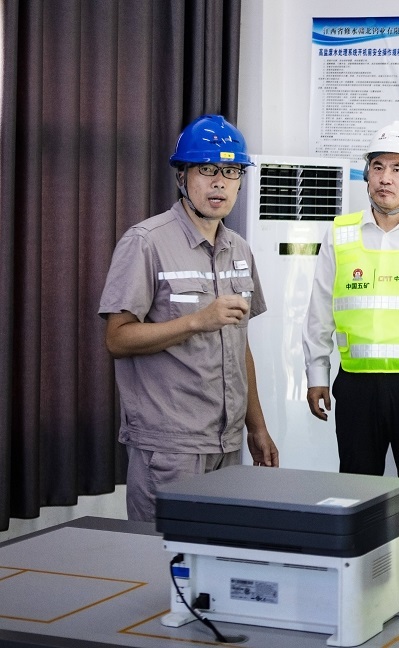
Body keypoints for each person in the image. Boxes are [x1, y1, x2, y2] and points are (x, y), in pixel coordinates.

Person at [99, 114, 279, 522]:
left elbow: (239, 346)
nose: (220, 183)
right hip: (170, 446)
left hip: (227, 443)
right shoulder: (145, 242)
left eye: (231, 172)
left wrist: (257, 427)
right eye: (207, 169)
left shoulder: (239, 249)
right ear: (182, 176)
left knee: (217, 553)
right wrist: (196, 321)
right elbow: (117, 338)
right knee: (160, 554)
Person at [303, 121, 399, 477]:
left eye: (398, 168)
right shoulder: (340, 233)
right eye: (378, 166)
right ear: (367, 174)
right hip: (356, 386)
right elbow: (320, 309)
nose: (385, 178)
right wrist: (316, 373)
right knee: (356, 488)